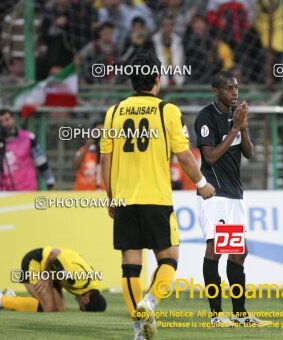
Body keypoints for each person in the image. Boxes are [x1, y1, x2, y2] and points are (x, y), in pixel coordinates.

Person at [100, 51, 215, 340]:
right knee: (169, 260)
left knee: (130, 265)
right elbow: (185, 156)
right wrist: (201, 183)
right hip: (156, 198)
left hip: (124, 199)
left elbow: (105, 159)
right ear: (156, 78)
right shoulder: (168, 111)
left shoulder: (113, 112)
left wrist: (111, 196)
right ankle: (150, 301)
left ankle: (138, 328)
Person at [194, 71, 268, 326]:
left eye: (236, 88)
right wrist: (234, 128)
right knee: (215, 249)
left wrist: (243, 128)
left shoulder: (235, 117)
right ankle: (216, 314)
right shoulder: (206, 117)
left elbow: (248, 153)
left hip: (235, 194)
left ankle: (240, 314)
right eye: (228, 88)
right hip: (214, 193)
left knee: (238, 254)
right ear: (216, 91)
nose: (234, 92)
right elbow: (210, 157)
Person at [0, 247, 106, 313]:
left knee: (59, 310)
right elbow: (54, 253)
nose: (79, 307)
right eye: (81, 307)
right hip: (36, 261)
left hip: (54, 271)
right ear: (86, 299)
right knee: (48, 308)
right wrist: (45, 275)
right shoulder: (76, 280)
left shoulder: (96, 286)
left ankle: (11, 298)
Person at [0, 109, 55, 191]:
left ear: (13, 119)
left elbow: (40, 161)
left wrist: (49, 180)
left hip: (25, 188)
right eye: (0, 121)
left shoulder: (27, 138)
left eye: (7, 120)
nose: (4, 124)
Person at [73, 121, 105, 191]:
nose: (100, 135)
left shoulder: (110, 151)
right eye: (98, 132)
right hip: (83, 193)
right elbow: (76, 166)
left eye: (103, 131)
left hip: (102, 194)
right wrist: (88, 145)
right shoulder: (84, 150)